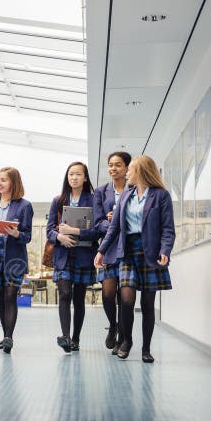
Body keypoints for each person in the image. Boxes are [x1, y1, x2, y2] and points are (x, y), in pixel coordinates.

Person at [94, 155, 175, 363]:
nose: (126, 173)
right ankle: (126, 340)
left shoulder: (160, 195)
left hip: (151, 254)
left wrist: (165, 250)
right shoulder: (126, 195)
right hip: (127, 253)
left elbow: (167, 229)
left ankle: (146, 349)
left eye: (130, 170)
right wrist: (101, 251)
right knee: (127, 299)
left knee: (148, 305)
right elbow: (114, 227)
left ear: (141, 172)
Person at [0, 167, 34, 354]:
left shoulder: (24, 206)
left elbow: (27, 236)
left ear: (13, 182)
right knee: (1, 297)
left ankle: (9, 337)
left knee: (11, 295)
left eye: (3, 180)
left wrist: (17, 233)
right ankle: (5, 335)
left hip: (14, 256)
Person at [47, 161, 97, 354]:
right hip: (63, 255)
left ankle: (76, 338)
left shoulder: (93, 200)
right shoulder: (58, 200)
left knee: (78, 299)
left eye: (78, 174)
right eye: (71, 174)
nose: (74, 178)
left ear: (85, 177)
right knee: (65, 293)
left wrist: (76, 232)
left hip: (84, 254)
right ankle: (65, 337)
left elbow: (97, 230)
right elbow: (50, 229)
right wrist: (59, 237)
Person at [93, 151, 130, 355]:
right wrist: (110, 220)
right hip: (108, 247)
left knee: (124, 297)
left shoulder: (133, 190)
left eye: (117, 165)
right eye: (110, 165)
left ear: (126, 168)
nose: (113, 169)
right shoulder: (100, 192)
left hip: (127, 249)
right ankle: (113, 325)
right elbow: (97, 224)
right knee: (108, 294)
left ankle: (123, 337)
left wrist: (120, 217)